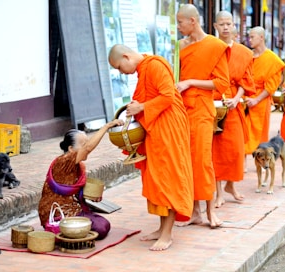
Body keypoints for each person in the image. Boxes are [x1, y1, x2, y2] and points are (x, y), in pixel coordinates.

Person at [108, 44, 194, 251]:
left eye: (120, 67)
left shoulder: (154, 66)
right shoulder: (144, 68)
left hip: (169, 128)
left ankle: (167, 234)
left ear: (127, 57)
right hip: (157, 128)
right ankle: (161, 228)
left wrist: (142, 107)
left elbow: (168, 97)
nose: (122, 72)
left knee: (169, 177)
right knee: (158, 177)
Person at [175, 4, 229, 228]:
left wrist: (190, 82)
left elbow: (222, 83)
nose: (178, 27)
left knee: (202, 160)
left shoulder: (215, 46)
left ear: (192, 21)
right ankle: (194, 211)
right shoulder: (179, 46)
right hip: (181, 111)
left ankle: (209, 212)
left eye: (180, 22)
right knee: (185, 161)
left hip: (202, 111)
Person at [38, 120, 124, 240]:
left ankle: (76, 229)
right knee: (100, 227)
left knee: (103, 223)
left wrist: (90, 196)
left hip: (73, 208)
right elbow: (89, 148)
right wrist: (107, 126)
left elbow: (77, 191)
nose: (87, 147)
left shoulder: (79, 165)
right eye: (83, 145)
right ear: (71, 149)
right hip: (57, 212)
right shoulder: (63, 161)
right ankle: (63, 229)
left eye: (86, 143)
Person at [212, 11, 255, 208]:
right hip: (214, 104)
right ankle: (219, 191)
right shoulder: (210, 49)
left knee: (235, 150)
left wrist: (237, 99)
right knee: (216, 151)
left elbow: (245, 81)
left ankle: (231, 185)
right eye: (222, 24)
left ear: (234, 26)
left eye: (229, 23)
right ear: (215, 26)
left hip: (234, 104)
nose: (226, 27)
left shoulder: (244, 53)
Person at [244, 26, 285, 162]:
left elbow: (272, 85)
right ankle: (242, 161)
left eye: (252, 37)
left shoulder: (272, 59)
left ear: (261, 37)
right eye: (249, 37)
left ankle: (261, 159)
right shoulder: (248, 56)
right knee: (243, 131)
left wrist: (256, 100)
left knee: (259, 132)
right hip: (245, 97)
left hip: (261, 100)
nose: (249, 40)